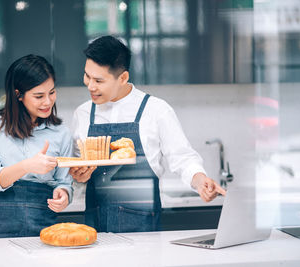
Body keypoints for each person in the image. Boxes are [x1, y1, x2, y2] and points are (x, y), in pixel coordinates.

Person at [69, 36, 226, 233]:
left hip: (143, 233)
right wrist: (77, 176)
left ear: (123, 78)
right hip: (94, 232)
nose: (90, 86)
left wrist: (200, 180)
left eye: (99, 80)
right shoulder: (83, 114)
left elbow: (183, 159)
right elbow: (75, 169)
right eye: (87, 76)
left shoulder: (156, 110)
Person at [0, 54, 73, 238]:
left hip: (42, 226)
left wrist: (64, 194)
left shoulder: (61, 132)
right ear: (18, 94)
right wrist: (27, 166)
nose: (48, 101)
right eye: (39, 96)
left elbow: (64, 182)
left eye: (52, 92)